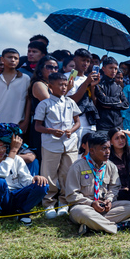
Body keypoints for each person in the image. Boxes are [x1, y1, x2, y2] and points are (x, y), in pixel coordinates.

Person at [65, 132, 130, 235]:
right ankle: (115, 227)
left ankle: (91, 225)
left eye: (108, 148)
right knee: (82, 213)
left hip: (104, 207)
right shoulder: (77, 167)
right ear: (92, 151)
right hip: (84, 206)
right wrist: (91, 203)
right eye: (103, 149)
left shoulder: (110, 166)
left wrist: (109, 199)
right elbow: (71, 195)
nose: (108, 152)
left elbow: (114, 187)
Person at [34, 73, 81, 219]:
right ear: (50, 86)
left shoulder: (70, 102)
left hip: (70, 143)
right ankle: (48, 203)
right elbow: (37, 126)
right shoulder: (45, 104)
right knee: (49, 174)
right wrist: (51, 131)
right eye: (60, 84)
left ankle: (64, 203)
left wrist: (71, 131)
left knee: (68, 174)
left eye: (65, 85)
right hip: (51, 144)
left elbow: (77, 122)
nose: (63, 87)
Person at [0, 133, 48, 226]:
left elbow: (26, 180)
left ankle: (23, 213)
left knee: (42, 184)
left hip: (17, 196)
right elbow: (2, 173)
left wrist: (36, 178)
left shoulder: (16, 159)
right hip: (2, 199)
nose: (1, 150)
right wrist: (13, 151)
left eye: (4, 146)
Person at [0, 49, 31, 133]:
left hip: (17, 123)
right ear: (2, 59)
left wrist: (26, 121)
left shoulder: (25, 78)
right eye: (10, 57)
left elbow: (28, 100)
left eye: (16, 58)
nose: (13, 60)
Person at [28, 55, 60, 159]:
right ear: (41, 68)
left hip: (51, 126)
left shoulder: (52, 85)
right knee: (43, 159)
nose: (53, 70)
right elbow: (51, 104)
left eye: (56, 68)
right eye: (49, 67)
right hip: (41, 126)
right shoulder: (39, 84)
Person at [65, 49, 100, 144]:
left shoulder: (88, 78)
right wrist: (86, 83)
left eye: (88, 61)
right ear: (75, 59)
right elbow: (70, 101)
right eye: (83, 60)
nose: (86, 63)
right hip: (74, 123)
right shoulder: (69, 76)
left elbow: (94, 102)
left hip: (89, 122)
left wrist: (92, 86)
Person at [93, 57, 129, 131]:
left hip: (118, 124)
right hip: (103, 124)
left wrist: (111, 104)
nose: (113, 71)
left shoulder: (118, 87)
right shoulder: (98, 84)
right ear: (103, 68)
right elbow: (103, 101)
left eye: (115, 68)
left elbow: (126, 104)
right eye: (111, 68)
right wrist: (118, 102)